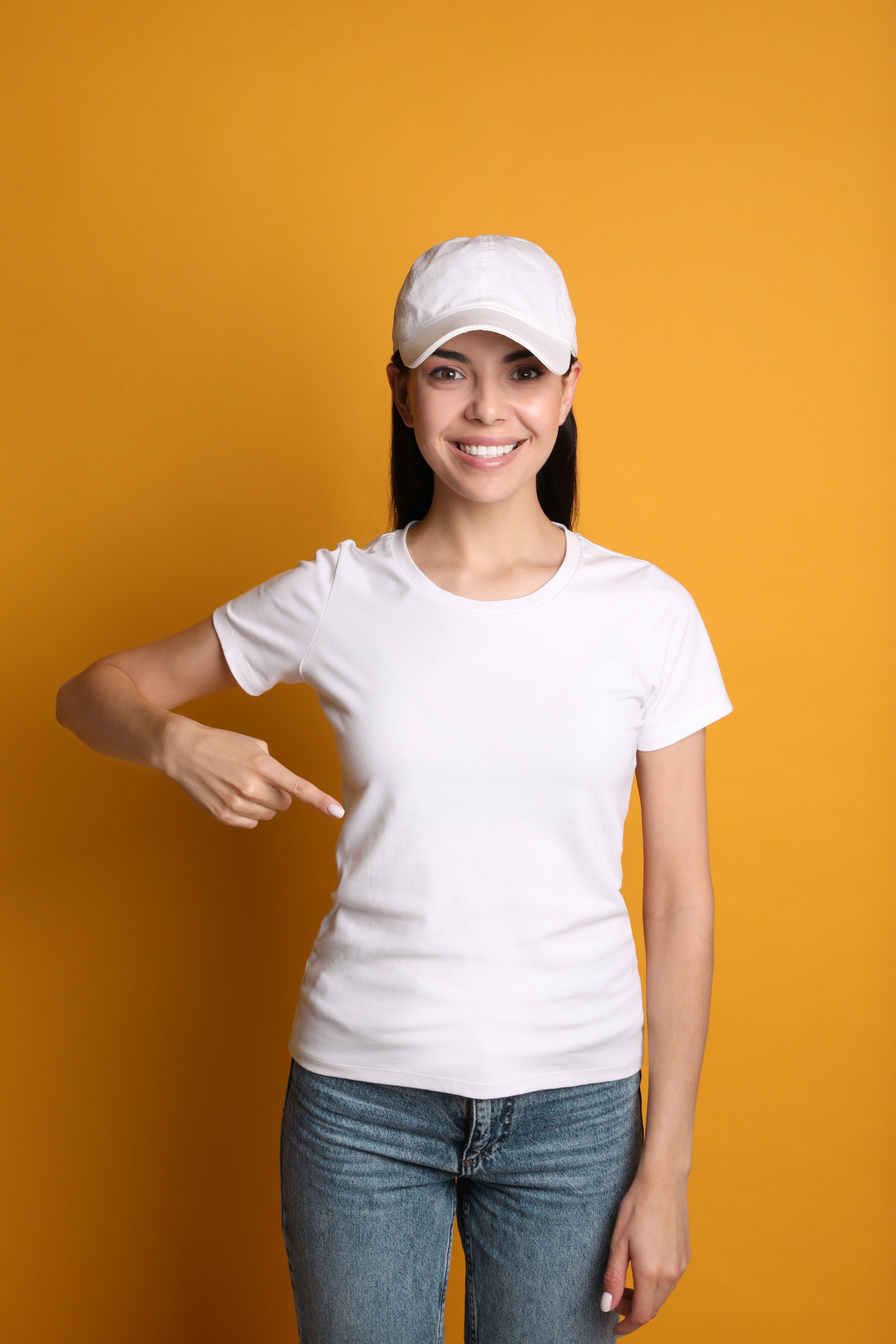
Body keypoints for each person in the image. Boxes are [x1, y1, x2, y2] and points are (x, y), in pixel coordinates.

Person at [56, 234, 733, 1343]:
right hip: (360, 1108)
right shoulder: (339, 597)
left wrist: (665, 1169)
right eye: (447, 370)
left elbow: (679, 901)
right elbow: (91, 694)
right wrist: (176, 745)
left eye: (519, 371)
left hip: (578, 1114)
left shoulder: (644, 614)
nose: (485, 409)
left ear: (567, 391)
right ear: (400, 390)